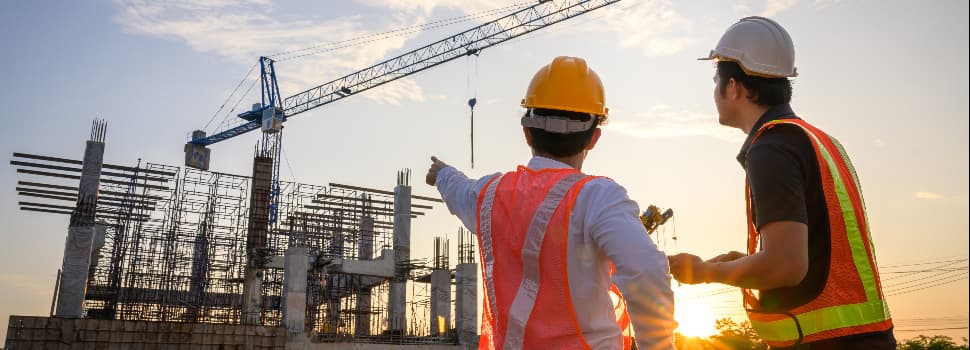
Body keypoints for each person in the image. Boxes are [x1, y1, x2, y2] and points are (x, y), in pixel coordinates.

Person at [667, 16, 896, 349]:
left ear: (734, 87)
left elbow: (786, 266)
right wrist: (740, 262)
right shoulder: (820, 141)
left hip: (823, 343)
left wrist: (703, 272)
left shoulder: (771, 148)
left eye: (718, 80)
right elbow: (819, 252)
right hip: (868, 338)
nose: (715, 91)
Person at [426, 56, 677, 350]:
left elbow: (460, 191)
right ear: (594, 138)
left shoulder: (490, 195)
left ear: (526, 131)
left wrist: (441, 173)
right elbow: (645, 270)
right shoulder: (597, 197)